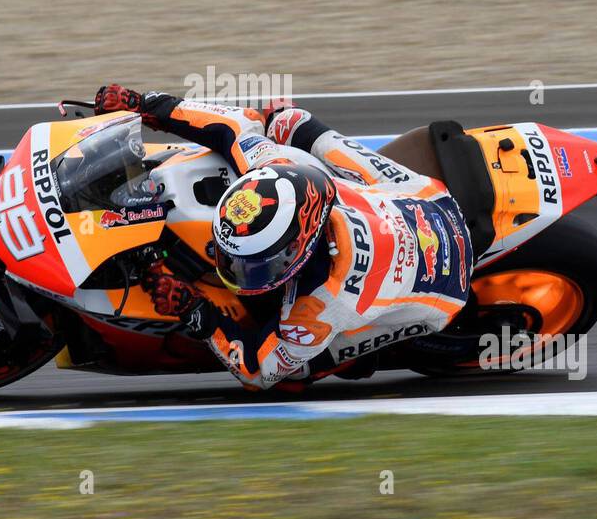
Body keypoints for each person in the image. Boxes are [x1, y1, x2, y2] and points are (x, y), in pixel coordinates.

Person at [92, 84, 476, 390]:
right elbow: (236, 125)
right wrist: (144, 105)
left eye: (253, 264)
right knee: (287, 122)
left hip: (445, 291)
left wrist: (195, 310)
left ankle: (355, 358)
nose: (235, 271)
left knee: (295, 374)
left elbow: (259, 372)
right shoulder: (278, 168)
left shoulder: (316, 309)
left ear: (299, 250)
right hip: (427, 197)